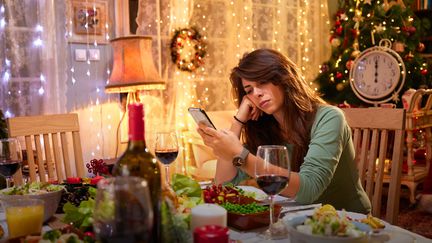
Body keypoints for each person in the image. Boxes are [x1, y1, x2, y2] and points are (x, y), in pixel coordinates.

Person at [197, 48, 371, 214]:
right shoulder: (265, 129)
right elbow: (224, 186)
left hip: (347, 222)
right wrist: (238, 121)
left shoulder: (330, 118)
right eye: (249, 90)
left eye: (262, 82)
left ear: (283, 77)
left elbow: (309, 189)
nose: (256, 93)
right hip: (296, 218)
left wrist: (239, 155)